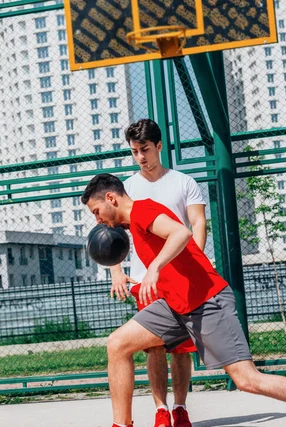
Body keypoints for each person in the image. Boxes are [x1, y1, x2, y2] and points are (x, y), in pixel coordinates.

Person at [81, 173, 286, 427]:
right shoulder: (133, 223)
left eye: (96, 211)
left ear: (111, 199)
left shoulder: (143, 211)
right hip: (176, 304)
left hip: (206, 300)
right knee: (117, 344)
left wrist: (154, 269)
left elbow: (181, 233)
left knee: (247, 379)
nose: (97, 219)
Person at [109, 118, 206, 427]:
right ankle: (160, 410)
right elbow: (114, 234)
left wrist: (197, 264)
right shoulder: (127, 188)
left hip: (181, 280)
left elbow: (197, 225)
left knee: (180, 348)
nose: (140, 157)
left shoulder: (183, 182)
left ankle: (179, 407)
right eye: (135, 151)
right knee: (153, 347)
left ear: (159, 146)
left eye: (145, 150)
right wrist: (116, 271)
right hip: (144, 281)